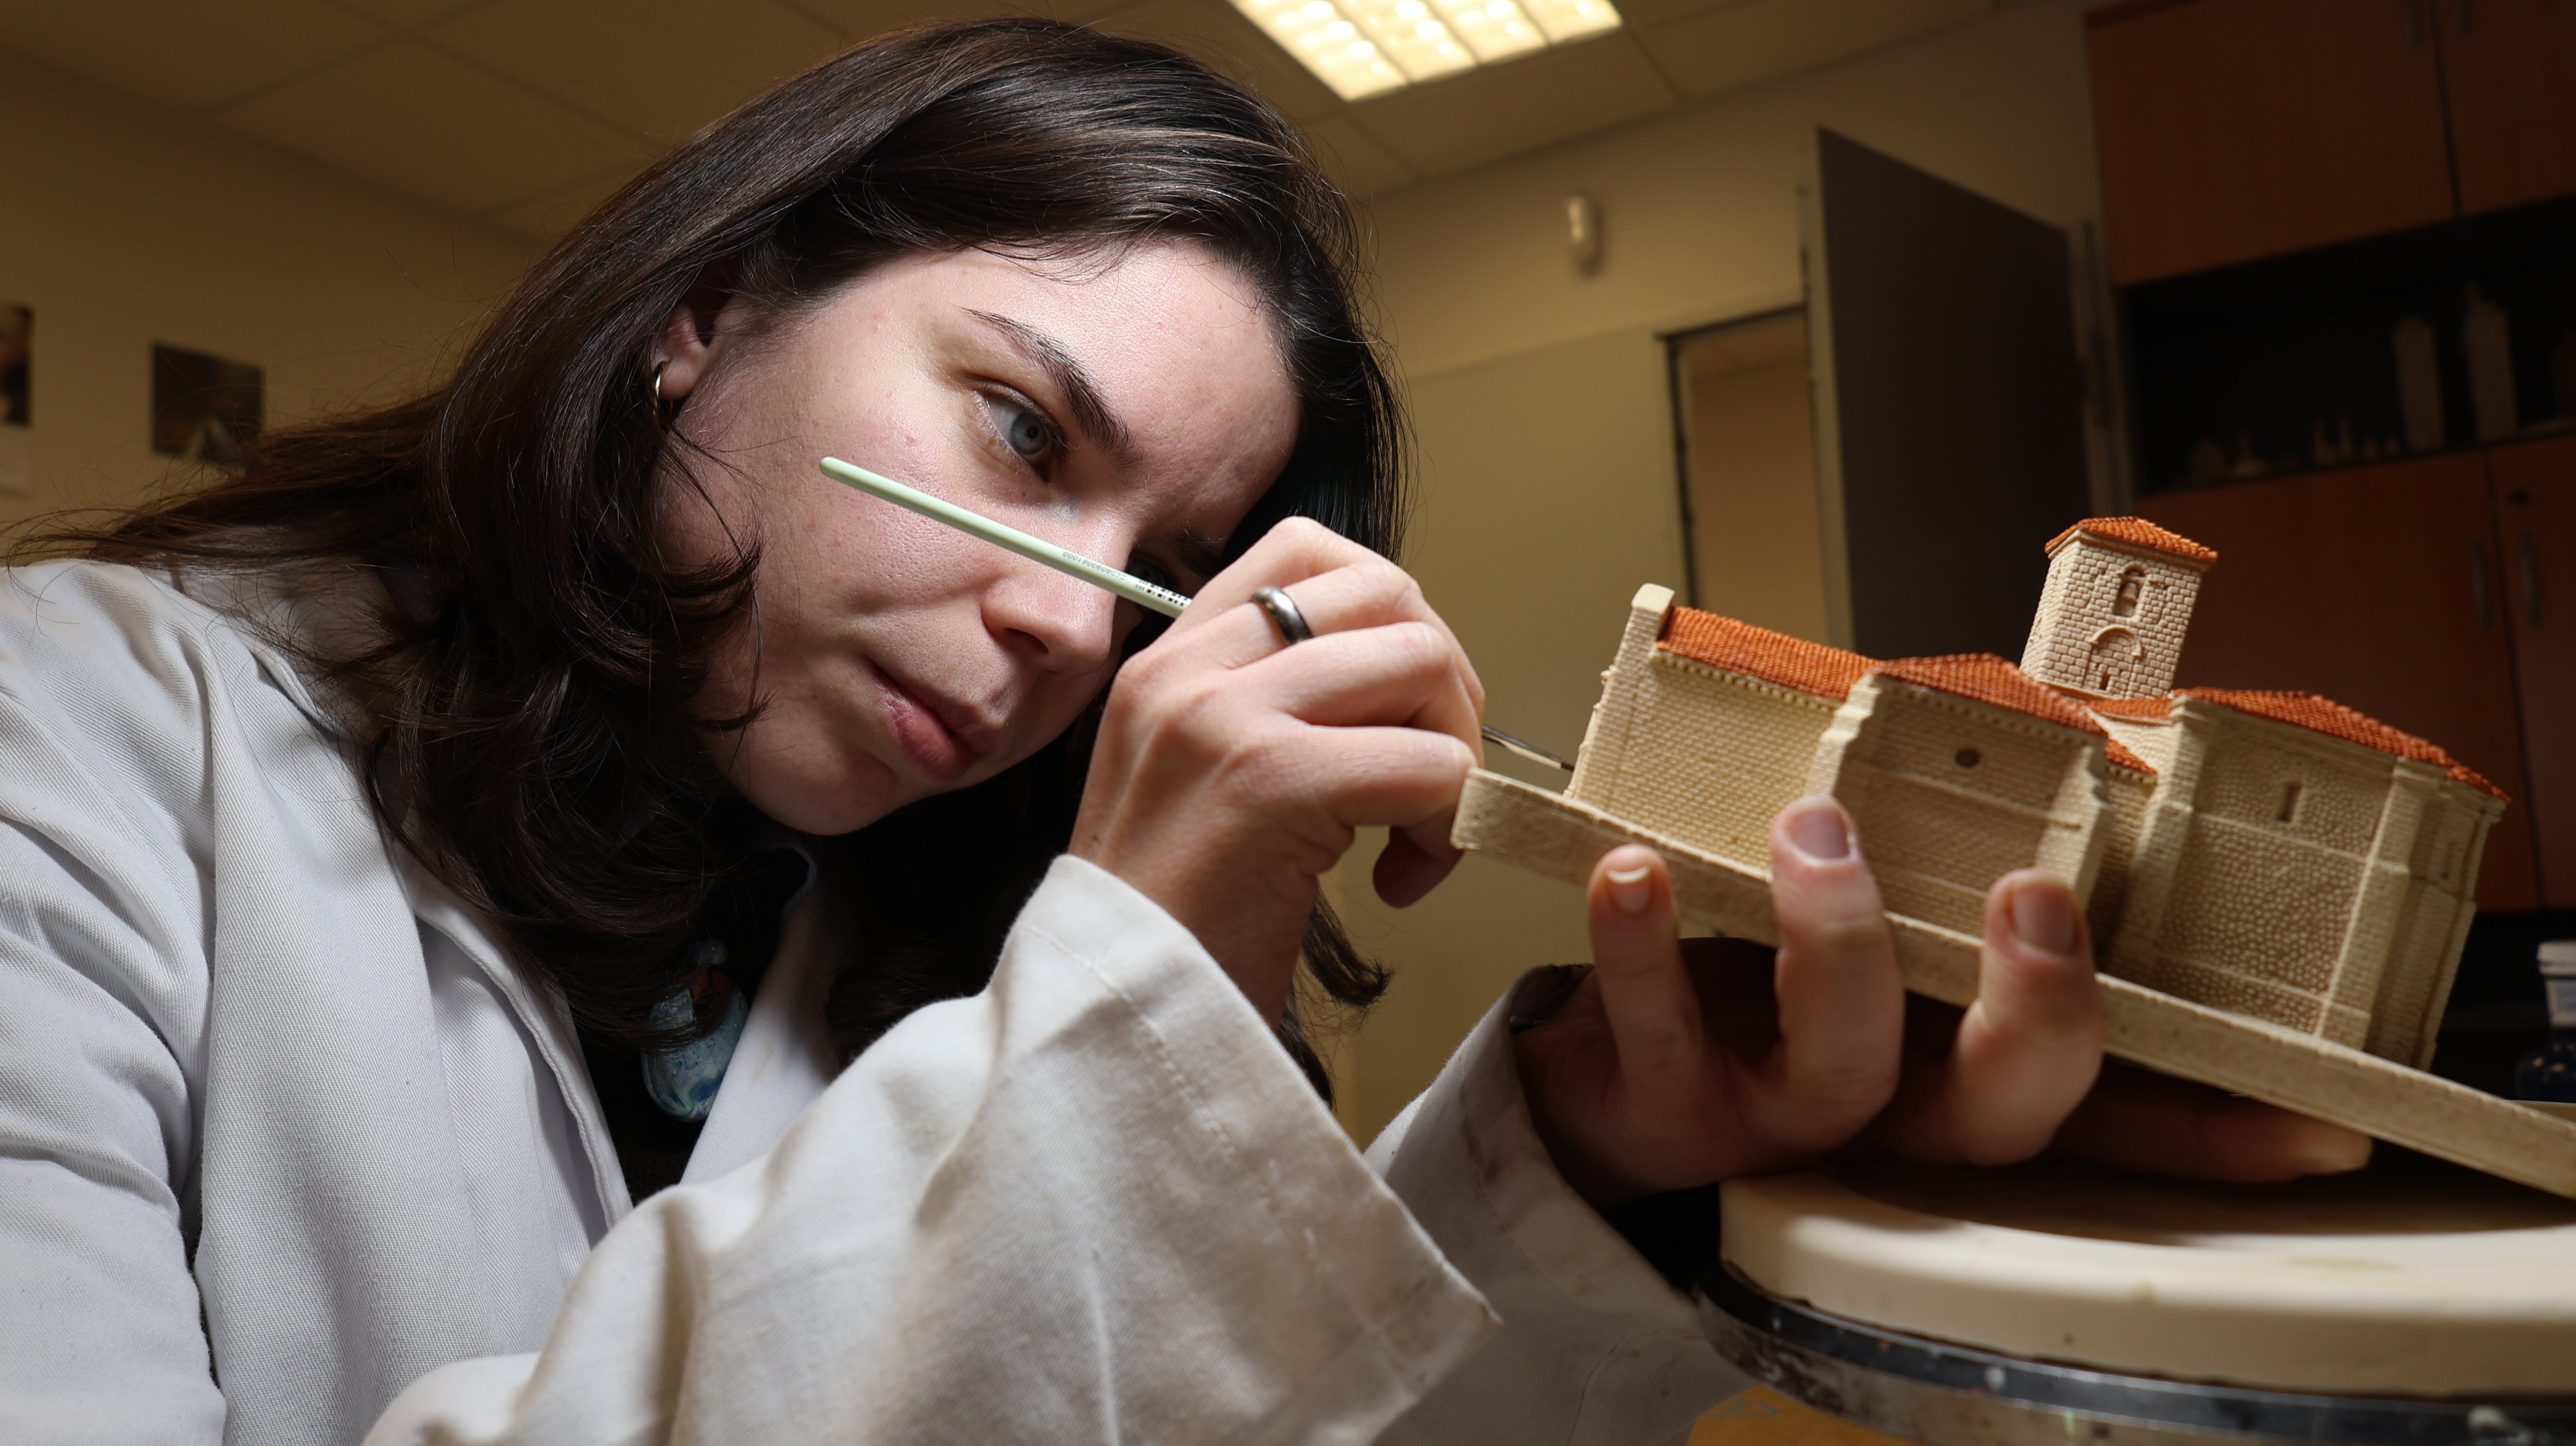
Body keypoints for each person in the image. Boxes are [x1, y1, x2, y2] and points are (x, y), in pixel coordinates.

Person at [0, 21, 2367, 1445]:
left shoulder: (902, 916)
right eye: (1024, 432)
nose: (1063, 627)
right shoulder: (80, 746)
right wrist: (1119, 983)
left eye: (1168, 553)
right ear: (701, 318)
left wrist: (1569, 1163)